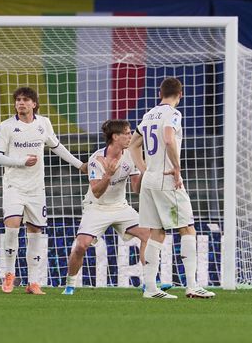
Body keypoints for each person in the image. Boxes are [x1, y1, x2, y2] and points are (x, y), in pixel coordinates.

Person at [0, 87, 87, 295]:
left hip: (36, 189)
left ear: (34, 104)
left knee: (35, 233)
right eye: (18, 100)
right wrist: (21, 162)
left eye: (25, 100)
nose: (21, 103)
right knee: (12, 227)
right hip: (13, 187)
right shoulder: (7, 126)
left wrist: (80, 165)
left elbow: (57, 146)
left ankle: (33, 282)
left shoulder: (43, 124)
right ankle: (9, 275)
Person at [129, 77, 215, 299]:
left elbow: (133, 144)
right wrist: (177, 168)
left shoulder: (148, 115)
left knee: (157, 232)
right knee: (187, 228)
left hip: (150, 180)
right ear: (181, 94)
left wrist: (144, 168)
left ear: (160, 93)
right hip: (167, 179)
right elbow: (168, 139)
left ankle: (150, 288)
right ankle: (192, 285)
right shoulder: (173, 114)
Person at [63, 120, 149, 295]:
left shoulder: (132, 155)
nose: (130, 136)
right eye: (127, 133)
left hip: (120, 207)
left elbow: (135, 189)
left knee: (148, 235)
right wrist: (108, 175)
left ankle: (150, 282)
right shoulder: (96, 159)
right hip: (97, 208)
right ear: (115, 137)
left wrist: (144, 174)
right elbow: (96, 192)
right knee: (81, 246)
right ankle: (70, 284)